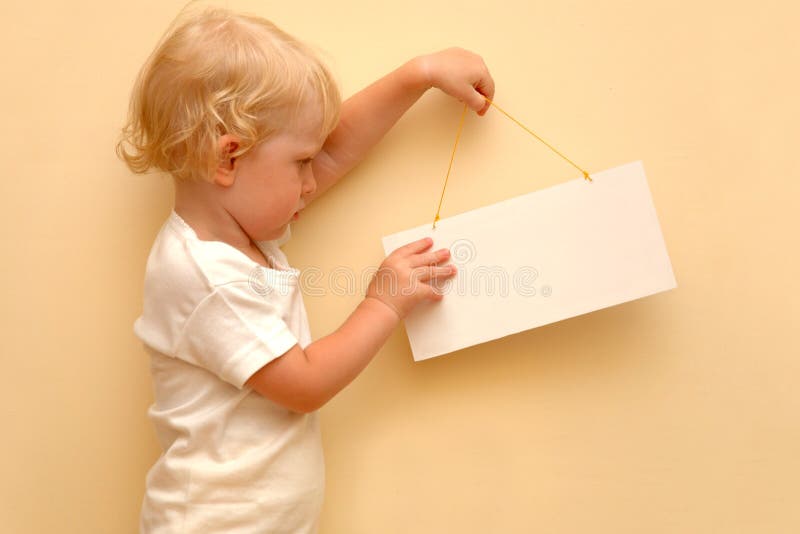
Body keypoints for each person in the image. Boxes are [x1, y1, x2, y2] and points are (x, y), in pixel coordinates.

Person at [117, 5, 495, 533]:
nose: (312, 180)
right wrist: (382, 303)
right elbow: (305, 383)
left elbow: (333, 151)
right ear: (228, 160)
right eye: (299, 164)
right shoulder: (205, 276)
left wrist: (421, 74)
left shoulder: (242, 231)